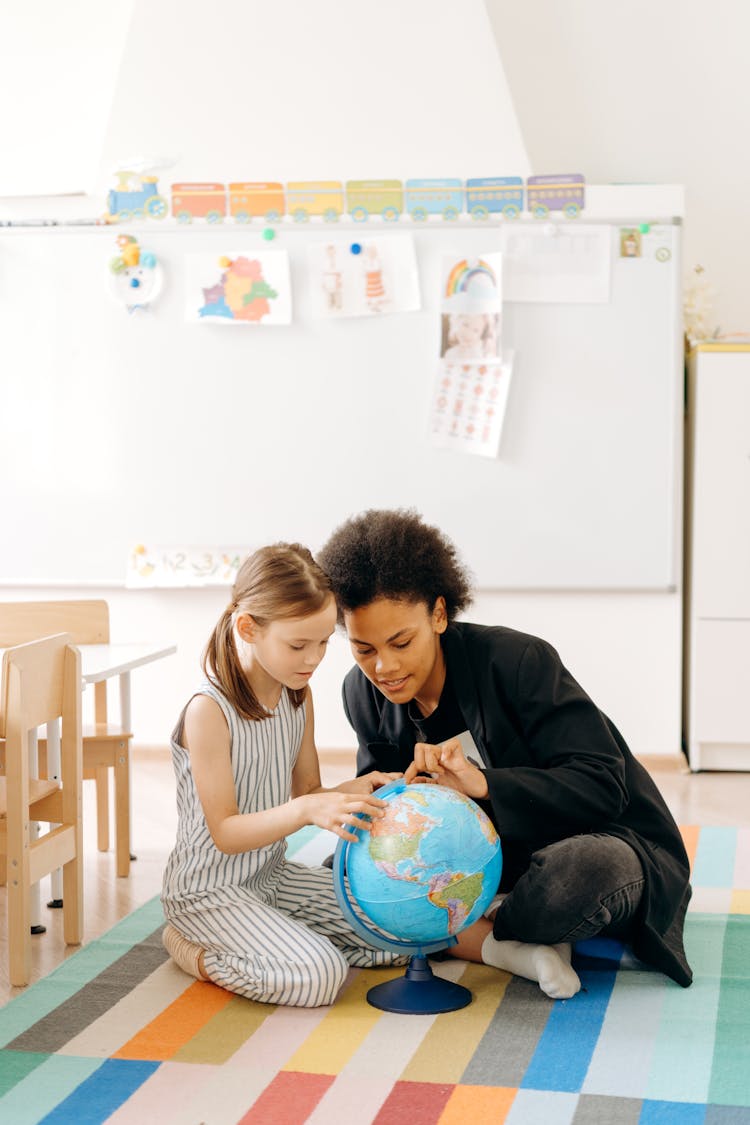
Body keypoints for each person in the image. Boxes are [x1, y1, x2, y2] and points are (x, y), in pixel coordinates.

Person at [317, 510, 693, 998]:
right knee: (341, 877)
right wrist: (387, 795)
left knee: (580, 875)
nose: (384, 667)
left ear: (438, 613)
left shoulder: (518, 662)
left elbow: (603, 785)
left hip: (594, 839)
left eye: (401, 642)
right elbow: (383, 820)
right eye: (364, 649)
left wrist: (483, 785)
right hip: (485, 861)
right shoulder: (362, 694)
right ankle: (512, 938)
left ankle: (478, 927)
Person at [161, 543, 406, 1007]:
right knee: (320, 977)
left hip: (271, 876)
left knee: (395, 930)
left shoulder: (298, 695)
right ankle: (190, 949)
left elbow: (309, 792)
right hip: (208, 891)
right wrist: (307, 809)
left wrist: (361, 788)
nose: (312, 659)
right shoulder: (208, 711)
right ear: (248, 628)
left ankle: (277, 938)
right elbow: (227, 832)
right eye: (298, 645)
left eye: (322, 644)